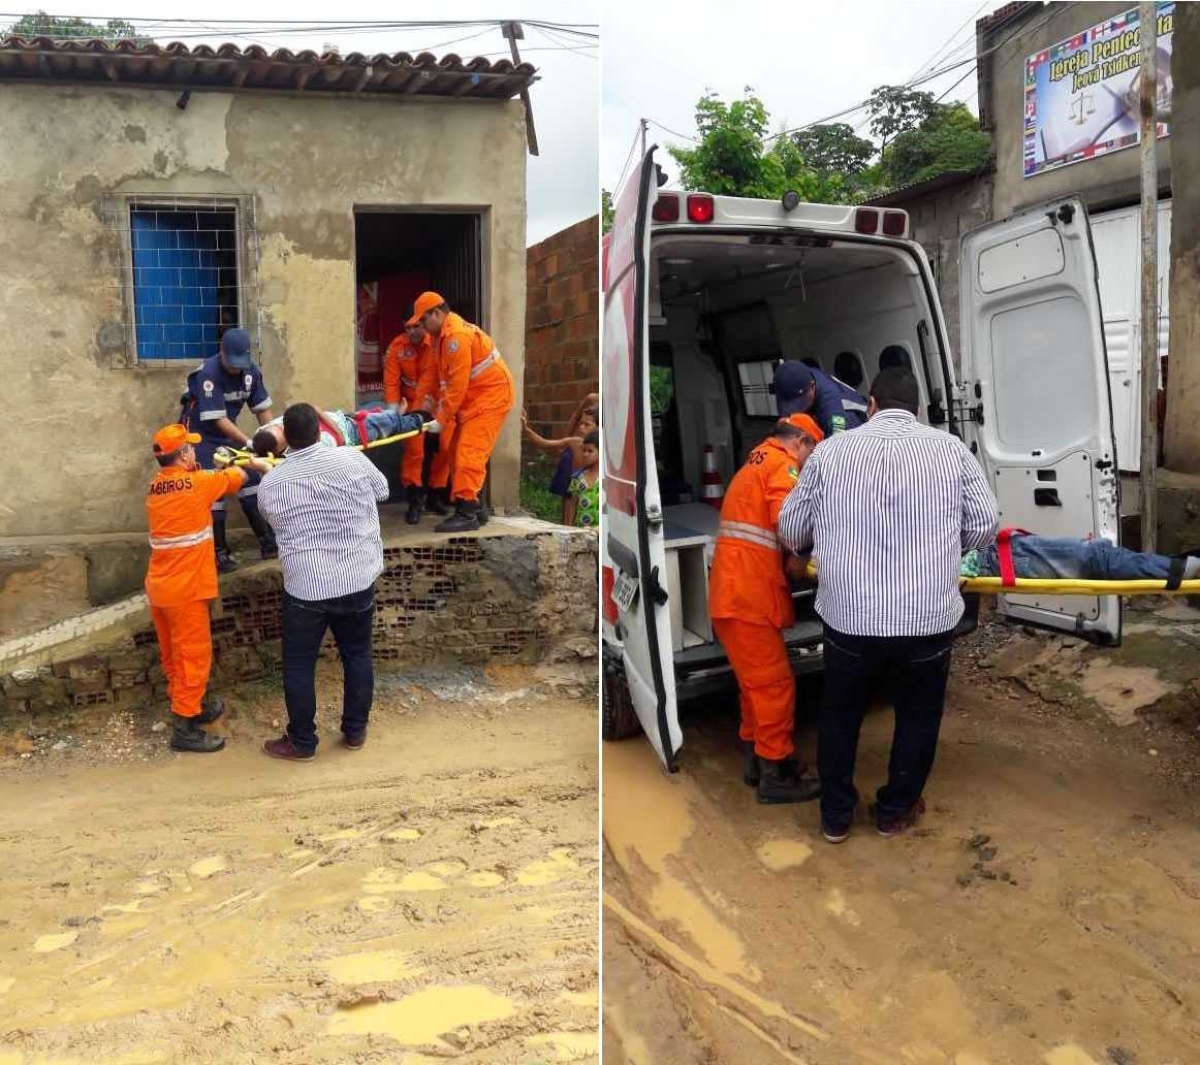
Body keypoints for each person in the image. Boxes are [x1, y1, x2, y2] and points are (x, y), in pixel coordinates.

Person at [779, 368, 999, 843]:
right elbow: (984, 525)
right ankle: (894, 812)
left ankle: (835, 818)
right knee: (918, 715)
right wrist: (938, 550)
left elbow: (792, 531)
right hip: (927, 620)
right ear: (917, 410)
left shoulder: (832, 452)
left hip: (850, 619)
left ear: (872, 404)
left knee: (841, 715)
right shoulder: (951, 450)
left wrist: (824, 543)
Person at [257, 403, 390, 761]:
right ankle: (355, 730)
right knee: (358, 655)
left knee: (300, 665)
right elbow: (383, 492)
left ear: (286, 438)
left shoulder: (272, 482)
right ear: (320, 430)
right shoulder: (352, 460)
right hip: (356, 577)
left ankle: (302, 742)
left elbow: (270, 520)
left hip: (306, 588)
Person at [709, 413, 825, 804]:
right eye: (811, 455)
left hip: (736, 592)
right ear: (802, 443)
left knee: (754, 685)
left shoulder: (756, 460)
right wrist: (808, 556)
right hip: (748, 595)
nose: (808, 465)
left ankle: (757, 761)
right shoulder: (782, 466)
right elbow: (791, 524)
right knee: (774, 686)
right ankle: (775, 773)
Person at [144, 423, 272, 753]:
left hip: (162, 589)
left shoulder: (155, 488)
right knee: (193, 658)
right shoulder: (198, 484)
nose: (193, 452)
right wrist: (237, 462)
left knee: (174, 656)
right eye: (190, 448)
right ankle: (185, 727)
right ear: (183, 455)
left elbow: (191, 489)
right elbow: (239, 479)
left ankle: (190, 705)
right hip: (186, 592)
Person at [411, 291, 516, 533]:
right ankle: (476, 509)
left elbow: (457, 387)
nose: (422, 328)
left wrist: (440, 419)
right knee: (458, 452)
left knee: (469, 454)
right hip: (475, 400)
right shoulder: (441, 338)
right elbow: (435, 379)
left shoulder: (456, 337)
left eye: (423, 321)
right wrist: (419, 409)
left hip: (490, 398)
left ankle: (467, 512)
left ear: (437, 313)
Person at [181, 327, 278, 572]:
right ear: (221, 353)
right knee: (214, 489)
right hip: (200, 435)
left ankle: (269, 543)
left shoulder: (251, 373)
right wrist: (248, 442)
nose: (236, 368)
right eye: (231, 362)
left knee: (252, 479)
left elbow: (262, 410)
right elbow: (217, 420)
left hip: (228, 434)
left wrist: (271, 439)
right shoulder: (207, 374)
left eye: (240, 363)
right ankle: (219, 554)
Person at [963, 532, 1200, 584]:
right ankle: (1177, 565)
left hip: (989, 556)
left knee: (1098, 558)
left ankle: (1177, 565)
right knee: (1098, 557)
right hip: (990, 556)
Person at [383, 318, 440, 525]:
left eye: (417, 326)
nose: (412, 331)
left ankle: (436, 495)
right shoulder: (397, 347)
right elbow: (391, 382)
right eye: (408, 327)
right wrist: (393, 413)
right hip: (411, 405)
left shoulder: (436, 345)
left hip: (435, 402)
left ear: (425, 325)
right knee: (414, 451)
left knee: (446, 448)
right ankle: (415, 500)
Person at [522, 398, 599, 522]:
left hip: (592, 493)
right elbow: (545, 443)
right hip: (575, 487)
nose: (581, 428)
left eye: (587, 425)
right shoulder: (574, 442)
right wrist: (526, 429)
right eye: (581, 423)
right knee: (569, 512)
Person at [251, 406, 426, 456]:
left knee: (383, 419)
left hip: (342, 420)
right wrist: (339, 434)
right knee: (390, 425)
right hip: (354, 433)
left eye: (281, 427)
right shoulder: (312, 446)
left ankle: (398, 415)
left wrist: (334, 427)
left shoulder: (270, 428)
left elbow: (313, 408)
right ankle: (420, 418)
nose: (282, 426)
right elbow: (340, 442)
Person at [773, 360, 869, 438]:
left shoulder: (834, 410)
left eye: (799, 402)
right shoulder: (804, 375)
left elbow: (839, 444)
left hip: (858, 423)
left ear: (812, 386)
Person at [564, 430, 601, 529]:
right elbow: (572, 504)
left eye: (590, 451)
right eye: (584, 450)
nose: (585, 454)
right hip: (581, 530)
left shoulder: (605, 479)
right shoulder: (577, 478)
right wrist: (569, 527)